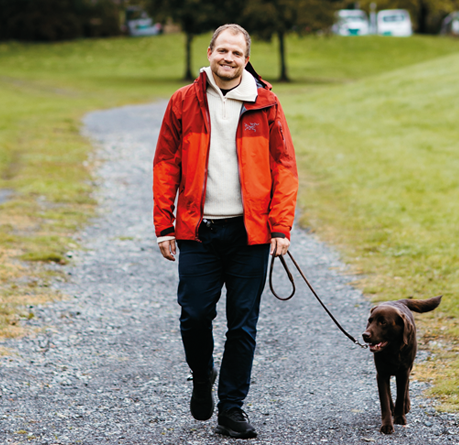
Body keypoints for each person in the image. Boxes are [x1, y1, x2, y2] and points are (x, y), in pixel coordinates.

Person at [152, 24, 298, 439]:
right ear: (210, 52)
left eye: (237, 53)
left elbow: (284, 167)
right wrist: (164, 224)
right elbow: (165, 163)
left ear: (246, 58)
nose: (229, 59)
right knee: (194, 316)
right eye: (223, 51)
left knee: (243, 325)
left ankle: (231, 409)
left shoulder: (265, 103)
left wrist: (280, 226)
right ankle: (202, 376)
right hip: (197, 232)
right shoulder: (184, 101)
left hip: (249, 235)